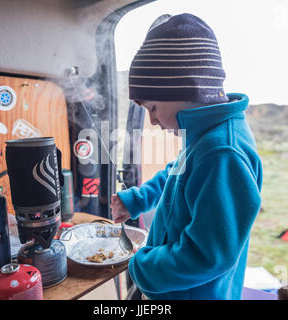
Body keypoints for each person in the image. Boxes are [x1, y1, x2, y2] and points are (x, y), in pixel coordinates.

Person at [110, 13, 263, 300]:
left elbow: (208, 255)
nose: (152, 120)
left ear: (183, 88)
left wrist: (141, 267)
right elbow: (176, 173)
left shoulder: (222, 153)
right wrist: (138, 199)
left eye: (153, 107)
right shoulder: (206, 136)